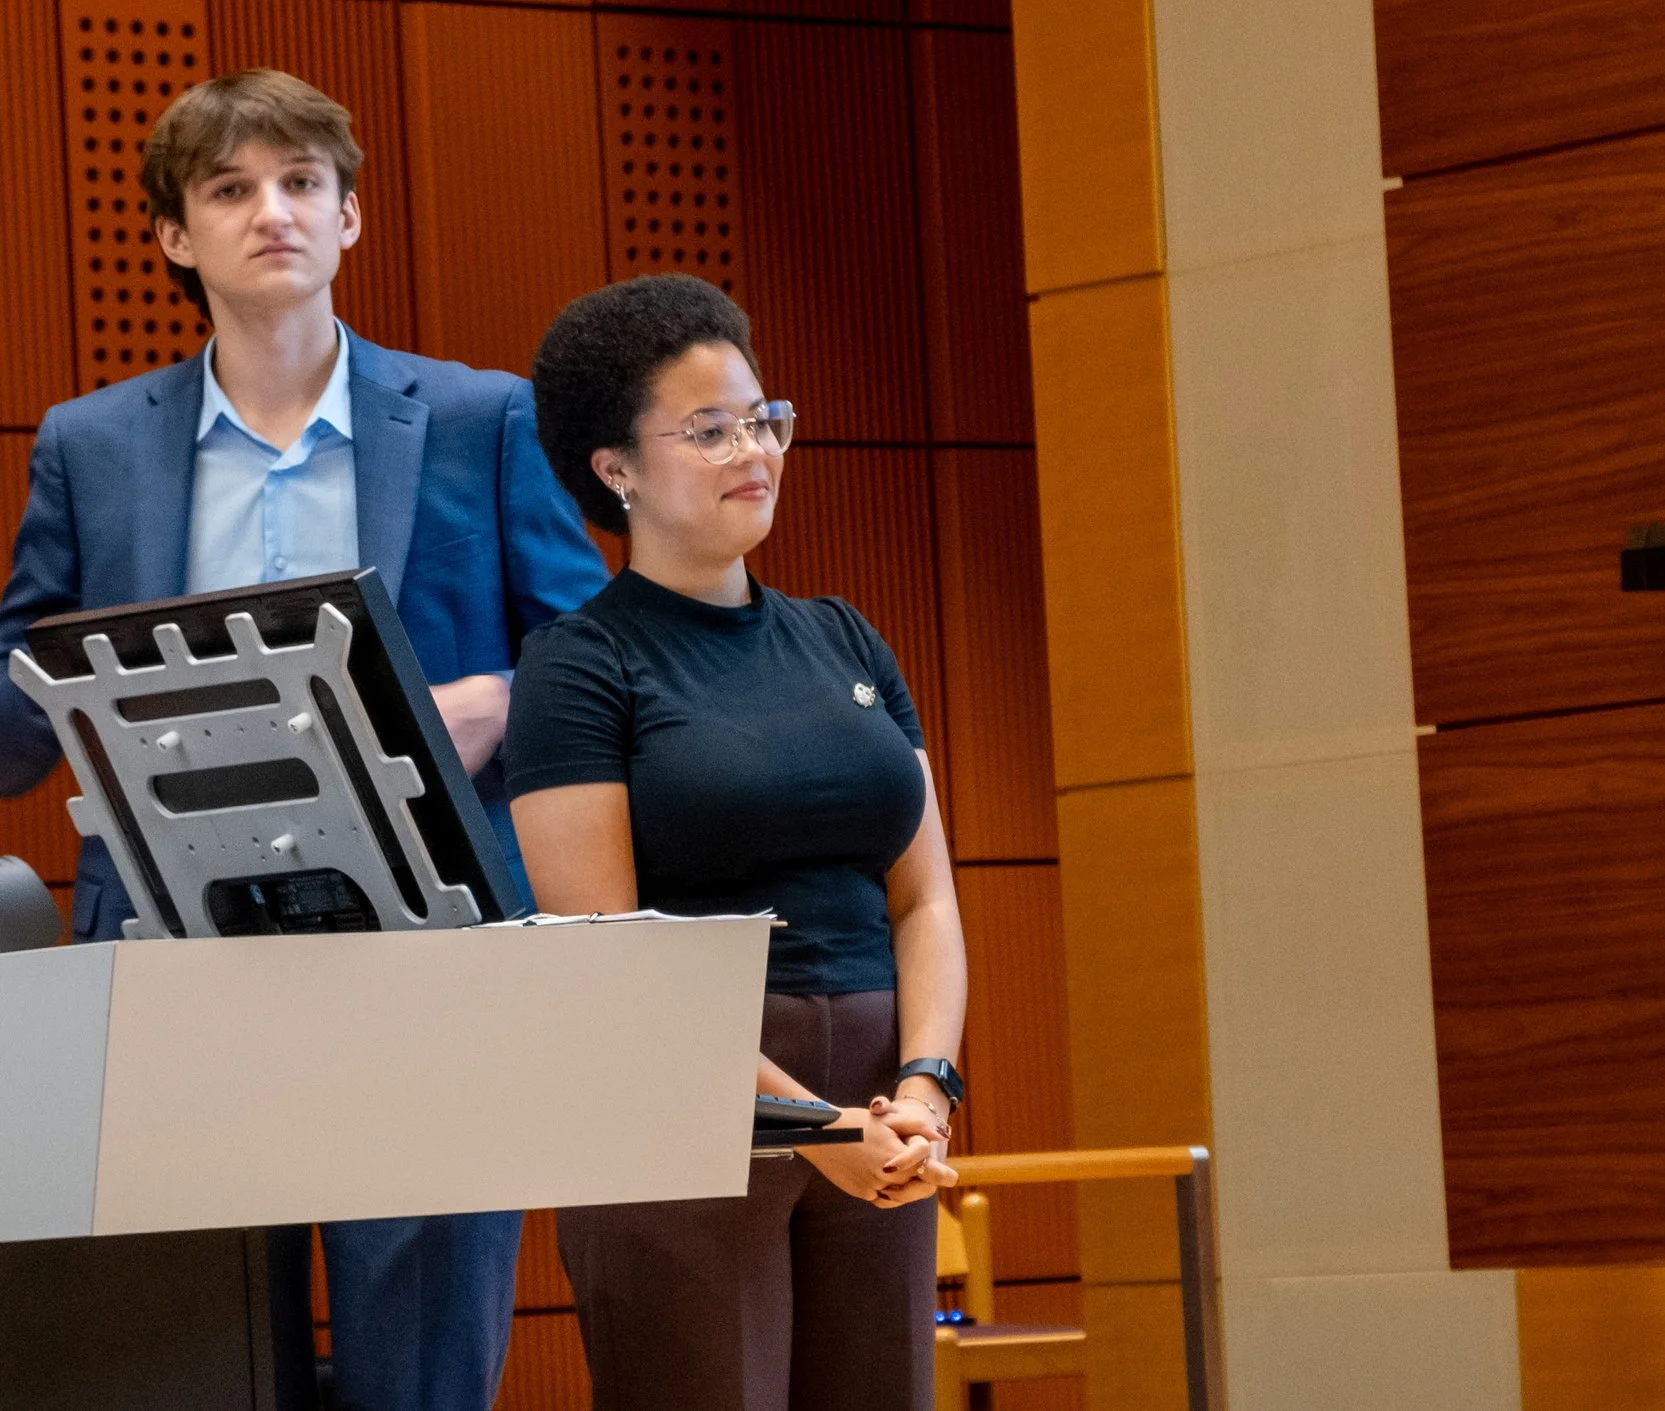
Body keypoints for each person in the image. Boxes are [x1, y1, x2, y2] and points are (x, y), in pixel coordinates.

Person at [0, 70, 613, 1409]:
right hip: (169, 952)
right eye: (230, 188)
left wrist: (503, 697)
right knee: (184, 1359)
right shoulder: (90, 446)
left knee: (420, 1371)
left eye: (300, 182)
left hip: (426, 941)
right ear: (175, 235)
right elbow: (17, 708)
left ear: (349, 219)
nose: (269, 210)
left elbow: (601, 657)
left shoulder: (478, 416)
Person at [505, 273, 966, 1411]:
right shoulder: (578, 664)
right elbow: (605, 947)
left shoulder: (844, 636)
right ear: (616, 469)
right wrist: (812, 1123)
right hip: (685, 1105)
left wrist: (925, 1086)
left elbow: (926, 900)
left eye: (763, 420)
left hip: (884, 1111)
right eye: (708, 430)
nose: (752, 450)